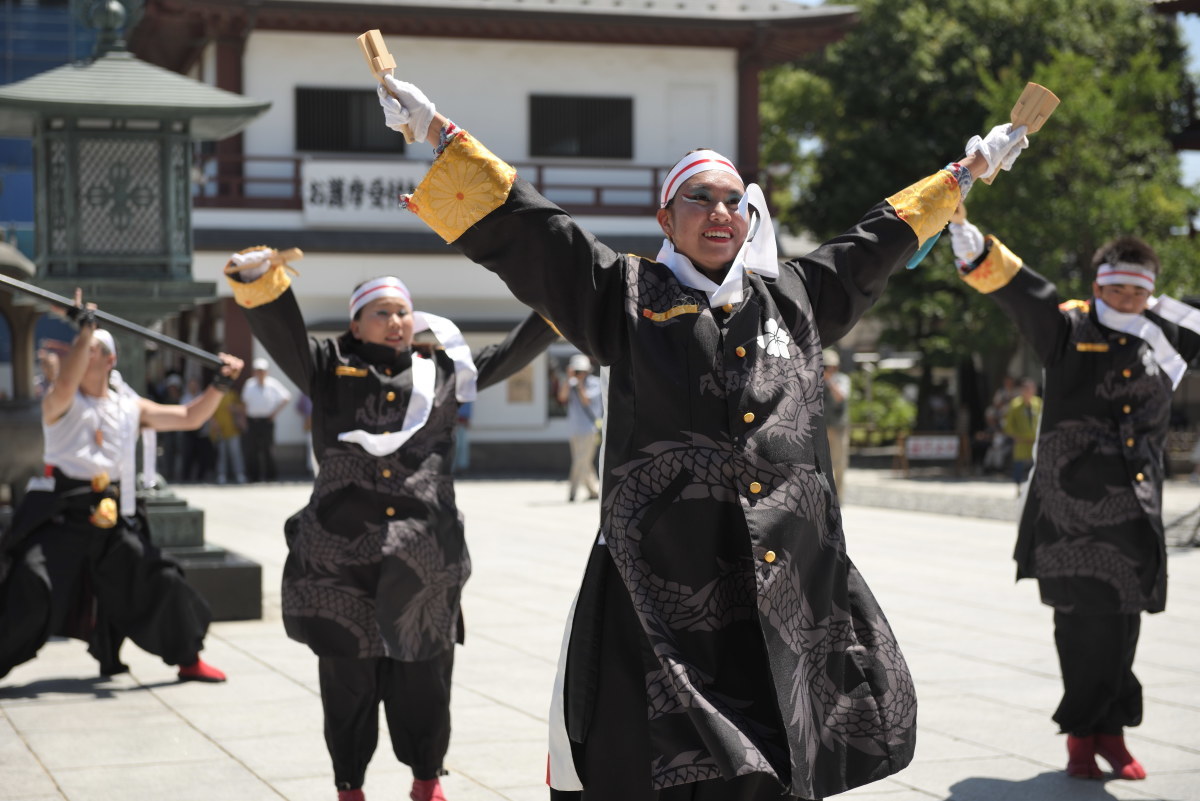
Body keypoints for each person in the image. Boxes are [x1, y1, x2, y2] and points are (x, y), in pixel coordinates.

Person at [374, 75, 1028, 800]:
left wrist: (968, 172)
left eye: (733, 201)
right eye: (700, 198)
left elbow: (881, 235)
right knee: (679, 761)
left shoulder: (799, 296)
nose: (720, 212)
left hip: (786, 581)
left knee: (781, 757)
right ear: (666, 215)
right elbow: (533, 230)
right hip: (663, 584)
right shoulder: (619, 296)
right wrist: (438, 131)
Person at [223, 248, 559, 801]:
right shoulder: (328, 368)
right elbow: (283, 335)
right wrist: (261, 279)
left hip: (423, 559)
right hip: (338, 561)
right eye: (381, 312)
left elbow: (507, 355)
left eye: (402, 311)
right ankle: (349, 784)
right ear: (356, 323)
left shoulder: (443, 372)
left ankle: (426, 779)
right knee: (347, 681)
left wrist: (558, 300)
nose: (396, 321)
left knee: (424, 677)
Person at [949, 208, 1200, 781]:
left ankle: (1111, 729)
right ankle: (1084, 735)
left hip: (1136, 514)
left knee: (1124, 623)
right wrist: (973, 244)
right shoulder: (1068, 329)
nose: (1125, 297)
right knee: (1083, 623)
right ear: (1097, 284)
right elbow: (1026, 297)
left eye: (1136, 290)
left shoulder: (1170, 335)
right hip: (1071, 516)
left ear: (1151, 291)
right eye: (1113, 286)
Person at [0, 301, 240, 683]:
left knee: (161, 578)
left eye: (91, 349)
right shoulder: (61, 402)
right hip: (63, 513)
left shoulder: (130, 405)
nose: (81, 354)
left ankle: (188, 659)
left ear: (109, 359)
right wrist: (84, 333)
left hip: (113, 514)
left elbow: (190, 416)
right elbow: (65, 382)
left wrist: (221, 383)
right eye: (81, 347)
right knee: (31, 582)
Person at [557, 354, 603, 502]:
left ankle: (572, 492)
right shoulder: (570, 383)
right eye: (577, 370)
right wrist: (568, 379)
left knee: (579, 461)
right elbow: (562, 398)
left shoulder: (595, 383)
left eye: (581, 371)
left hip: (589, 429)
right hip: (574, 429)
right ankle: (593, 491)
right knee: (584, 462)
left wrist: (580, 385)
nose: (579, 373)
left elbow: (586, 401)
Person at [241, 356, 291, 482]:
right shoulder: (249, 384)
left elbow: (286, 397)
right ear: (255, 372)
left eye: (262, 371)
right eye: (258, 370)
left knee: (268, 449)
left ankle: (270, 476)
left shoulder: (272, 384)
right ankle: (253, 477)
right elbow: (245, 403)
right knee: (252, 450)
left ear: (266, 372)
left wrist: (275, 413)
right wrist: (244, 420)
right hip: (253, 421)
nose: (260, 373)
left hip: (267, 421)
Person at [1001, 377, 1041, 487]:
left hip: (1034, 440)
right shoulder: (1015, 404)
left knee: (1037, 464)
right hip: (1021, 440)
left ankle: (1035, 486)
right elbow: (1009, 424)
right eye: (1026, 389)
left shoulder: (1038, 403)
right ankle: (1017, 486)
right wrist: (1014, 436)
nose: (1028, 391)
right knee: (1019, 464)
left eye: (1030, 389)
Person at [822, 349, 851, 494]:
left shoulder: (842, 379)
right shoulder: (817, 381)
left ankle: (839, 498)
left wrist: (830, 382)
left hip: (838, 427)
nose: (829, 369)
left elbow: (840, 397)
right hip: (822, 427)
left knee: (839, 464)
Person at [209, 387, 248, 485]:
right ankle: (221, 475)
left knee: (236, 453)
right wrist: (214, 423)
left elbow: (241, 408)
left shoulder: (232, 394)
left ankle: (239, 474)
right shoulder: (214, 395)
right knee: (221, 454)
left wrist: (233, 408)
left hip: (233, 430)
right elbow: (209, 412)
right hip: (219, 430)